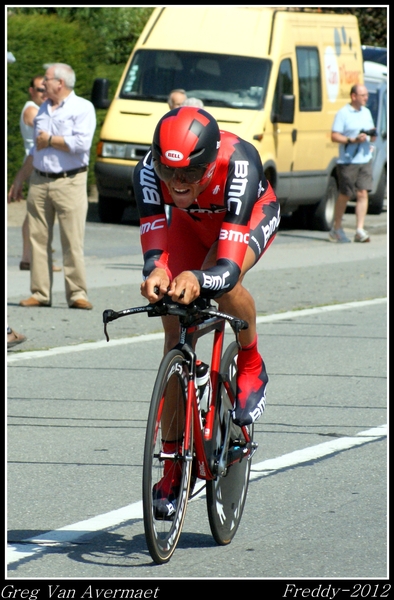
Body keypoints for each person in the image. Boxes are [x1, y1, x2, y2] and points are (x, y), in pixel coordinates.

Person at [133, 106, 280, 516]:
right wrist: (157, 271)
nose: (177, 183)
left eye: (189, 174)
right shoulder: (148, 171)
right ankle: (171, 468)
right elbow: (154, 242)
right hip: (189, 224)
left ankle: (251, 361)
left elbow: (226, 267)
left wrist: (199, 278)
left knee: (223, 284)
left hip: (244, 219)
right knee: (172, 323)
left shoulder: (238, 164)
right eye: (169, 173)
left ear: (208, 162)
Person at [8, 63, 96, 309]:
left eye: (46, 79)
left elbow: (81, 144)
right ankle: (40, 292)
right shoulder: (44, 108)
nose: (43, 84)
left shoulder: (83, 107)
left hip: (70, 180)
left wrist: (51, 140)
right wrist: (20, 178)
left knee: (72, 239)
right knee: (37, 238)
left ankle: (77, 293)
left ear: (60, 83)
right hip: (40, 178)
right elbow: (36, 148)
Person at [17, 75, 61, 272]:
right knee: (40, 215)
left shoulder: (40, 109)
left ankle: (29, 257)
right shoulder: (31, 109)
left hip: (35, 161)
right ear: (31, 91)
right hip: (34, 162)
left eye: (45, 88)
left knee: (33, 215)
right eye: (39, 89)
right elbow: (48, 129)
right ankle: (36, 258)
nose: (43, 93)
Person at [329, 84, 377, 243]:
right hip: (348, 161)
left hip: (364, 158)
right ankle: (336, 228)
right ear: (353, 96)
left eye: (367, 95)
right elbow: (334, 136)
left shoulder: (367, 112)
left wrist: (371, 135)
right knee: (346, 194)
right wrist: (352, 139)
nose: (366, 98)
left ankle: (359, 229)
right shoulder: (343, 113)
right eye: (363, 95)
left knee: (363, 192)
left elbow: (372, 135)